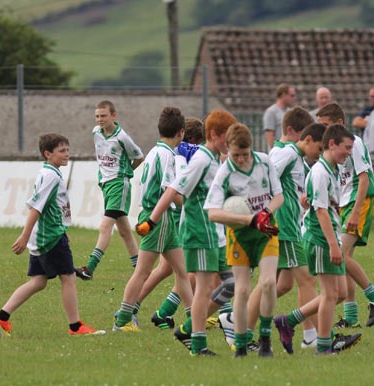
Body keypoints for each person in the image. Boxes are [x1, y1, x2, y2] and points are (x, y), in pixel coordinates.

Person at [136, 109, 238, 356]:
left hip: (215, 234)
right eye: (228, 137)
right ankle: (198, 344)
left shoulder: (215, 158)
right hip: (198, 234)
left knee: (231, 284)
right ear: (214, 135)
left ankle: (188, 329)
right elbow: (172, 190)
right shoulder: (202, 159)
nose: (231, 142)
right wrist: (151, 220)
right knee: (203, 289)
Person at [218, 107, 318, 352]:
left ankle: (238, 325)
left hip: (283, 225)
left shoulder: (290, 153)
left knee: (279, 285)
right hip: (282, 228)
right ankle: (314, 336)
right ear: (297, 133)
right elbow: (264, 175)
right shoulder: (286, 153)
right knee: (306, 279)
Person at [0, 134, 105, 336]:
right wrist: (24, 236)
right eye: (62, 151)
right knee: (68, 278)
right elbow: (36, 208)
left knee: (38, 282)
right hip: (51, 237)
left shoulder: (48, 172)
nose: (67, 154)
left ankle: (1, 317)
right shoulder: (51, 176)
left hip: (43, 236)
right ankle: (76, 327)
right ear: (47, 154)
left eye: (68, 150)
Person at [275, 124, 363, 355]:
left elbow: (317, 201)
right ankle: (323, 346)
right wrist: (334, 244)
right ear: (331, 144)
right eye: (346, 148)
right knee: (331, 294)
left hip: (329, 238)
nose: (348, 153)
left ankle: (290, 320)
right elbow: (322, 211)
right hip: (321, 240)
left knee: (340, 293)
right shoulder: (322, 171)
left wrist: (309, 200)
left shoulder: (329, 168)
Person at [205, 122, 284, 358]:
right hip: (239, 235)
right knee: (241, 291)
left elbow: (278, 196)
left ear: (251, 148)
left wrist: (264, 214)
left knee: (269, 283)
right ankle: (240, 346)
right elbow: (212, 213)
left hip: (266, 230)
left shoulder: (264, 162)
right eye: (236, 155)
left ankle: (265, 339)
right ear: (227, 149)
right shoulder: (225, 172)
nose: (240, 159)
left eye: (245, 154)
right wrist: (248, 219)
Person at [113, 107, 193, 333]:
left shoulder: (154, 152)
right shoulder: (168, 155)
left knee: (182, 271)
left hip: (161, 217)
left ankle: (192, 320)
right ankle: (123, 320)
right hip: (158, 217)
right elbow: (170, 190)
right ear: (181, 133)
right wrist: (189, 205)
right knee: (143, 271)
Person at [316, 102, 374, 328]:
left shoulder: (354, 143)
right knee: (345, 260)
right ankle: (350, 317)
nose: (322, 130)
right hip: (346, 204)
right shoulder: (334, 148)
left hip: (361, 202)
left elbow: (364, 179)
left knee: (342, 256)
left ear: (339, 123)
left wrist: (356, 212)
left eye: (326, 125)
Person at [75, 100, 144, 280]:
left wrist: (126, 172)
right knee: (124, 231)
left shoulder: (122, 137)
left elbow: (139, 156)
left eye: (104, 116)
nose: (100, 119)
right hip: (106, 185)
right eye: (97, 116)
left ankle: (89, 268)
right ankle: (140, 269)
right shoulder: (96, 132)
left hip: (119, 185)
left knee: (105, 226)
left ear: (113, 116)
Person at [263, 83, 296, 149]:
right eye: (292, 96)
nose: (294, 98)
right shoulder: (271, 112)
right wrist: (275, 151)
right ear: (284, 95)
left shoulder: (290, 112)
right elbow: (269, 135)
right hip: (279, 151)